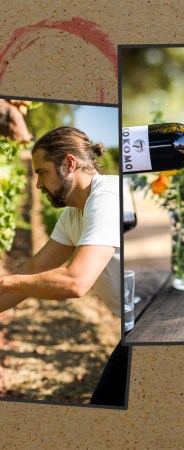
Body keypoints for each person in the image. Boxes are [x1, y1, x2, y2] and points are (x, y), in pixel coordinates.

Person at [0, 126, 128, 406]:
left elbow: (75, 282)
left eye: (41, 172)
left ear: (69, 164)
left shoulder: (107, 198)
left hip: (156, 329)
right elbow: (33, 270)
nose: (37, 185)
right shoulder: (73, 215)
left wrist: (5, 282)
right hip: (136, 331)